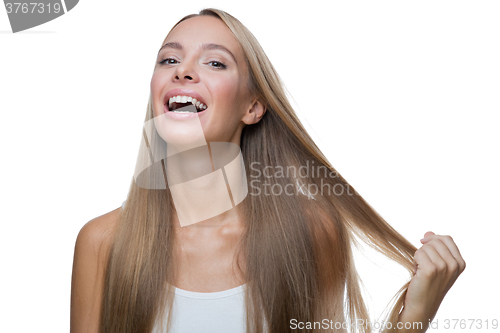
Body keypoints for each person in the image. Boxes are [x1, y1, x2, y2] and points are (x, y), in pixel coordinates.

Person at [70, 8, 466, 333]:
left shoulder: (312, 234)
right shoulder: (103, 243)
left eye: (214, 62)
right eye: (169, 59)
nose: (183, 71)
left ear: (253, 107)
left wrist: (416, 319)